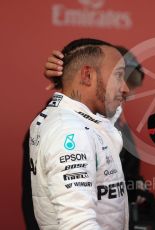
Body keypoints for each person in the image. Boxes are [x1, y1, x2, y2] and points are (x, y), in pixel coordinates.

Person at [29, 38, 130, 229]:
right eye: (119, 75)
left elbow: (103, 121)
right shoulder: (71, 131)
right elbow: (78, 225)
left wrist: (68, 79)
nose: (125, 88)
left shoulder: (78, 119)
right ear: (87, 75)